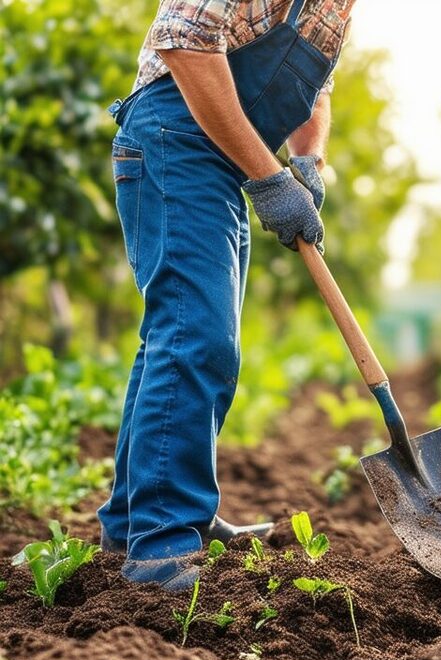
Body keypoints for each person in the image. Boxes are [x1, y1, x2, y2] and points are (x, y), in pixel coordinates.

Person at [97, 0, 356, 590]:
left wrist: (307, 161)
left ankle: (132, 519)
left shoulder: (339, 6)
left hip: (227, 163)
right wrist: (268, 177)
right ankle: (162, 541)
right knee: (197, 335)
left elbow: (315, 84)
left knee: (186, 333)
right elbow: (182, 42)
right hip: (175, 139)